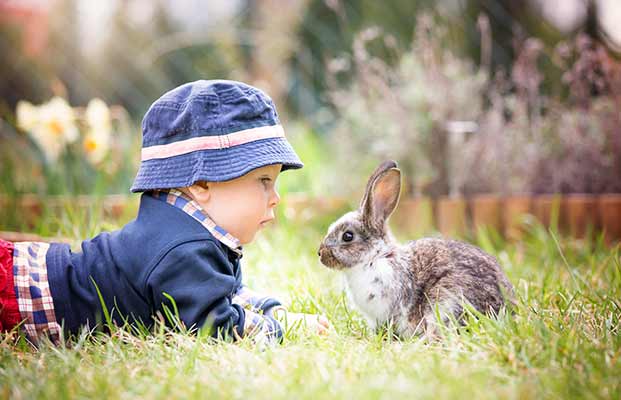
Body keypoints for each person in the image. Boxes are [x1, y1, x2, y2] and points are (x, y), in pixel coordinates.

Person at [0, 80, 330, 346]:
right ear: (202, 183)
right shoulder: (181, 251)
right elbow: (213, 326)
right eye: (263, 181)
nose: (275, 198)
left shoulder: (195, 232)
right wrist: (278, 330)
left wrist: (278, 312)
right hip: (21, 298)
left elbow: (226, 294)